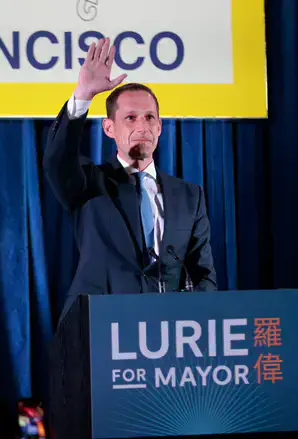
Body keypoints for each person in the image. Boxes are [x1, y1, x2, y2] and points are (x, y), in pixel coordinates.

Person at [43, 37, 217, 318]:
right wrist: (83, 94)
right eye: (130, 118)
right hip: (99, 324)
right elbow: (57, 160)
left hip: (168, 329)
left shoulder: (189, 196)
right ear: (109, 128)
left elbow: (203, 275)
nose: (142, 127)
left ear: (159, 127)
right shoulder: (90, 183)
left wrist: (196, 320)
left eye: (149, 118)